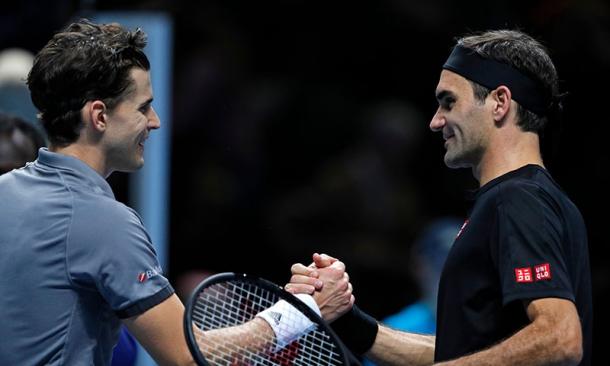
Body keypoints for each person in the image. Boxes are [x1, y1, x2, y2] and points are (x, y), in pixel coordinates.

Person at [0, 19, 353, 365]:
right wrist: (303, 312)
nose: (154, 121)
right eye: (142, 107)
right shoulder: (104, 222)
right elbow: (187, 354)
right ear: (100, 116)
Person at [288, 29, 592, 365]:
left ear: (500, 102)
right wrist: (350, 321)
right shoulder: (528, 199)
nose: (435, 121)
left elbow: (560, 337)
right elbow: (462, 356)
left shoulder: (518, 199)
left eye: (449, 101)